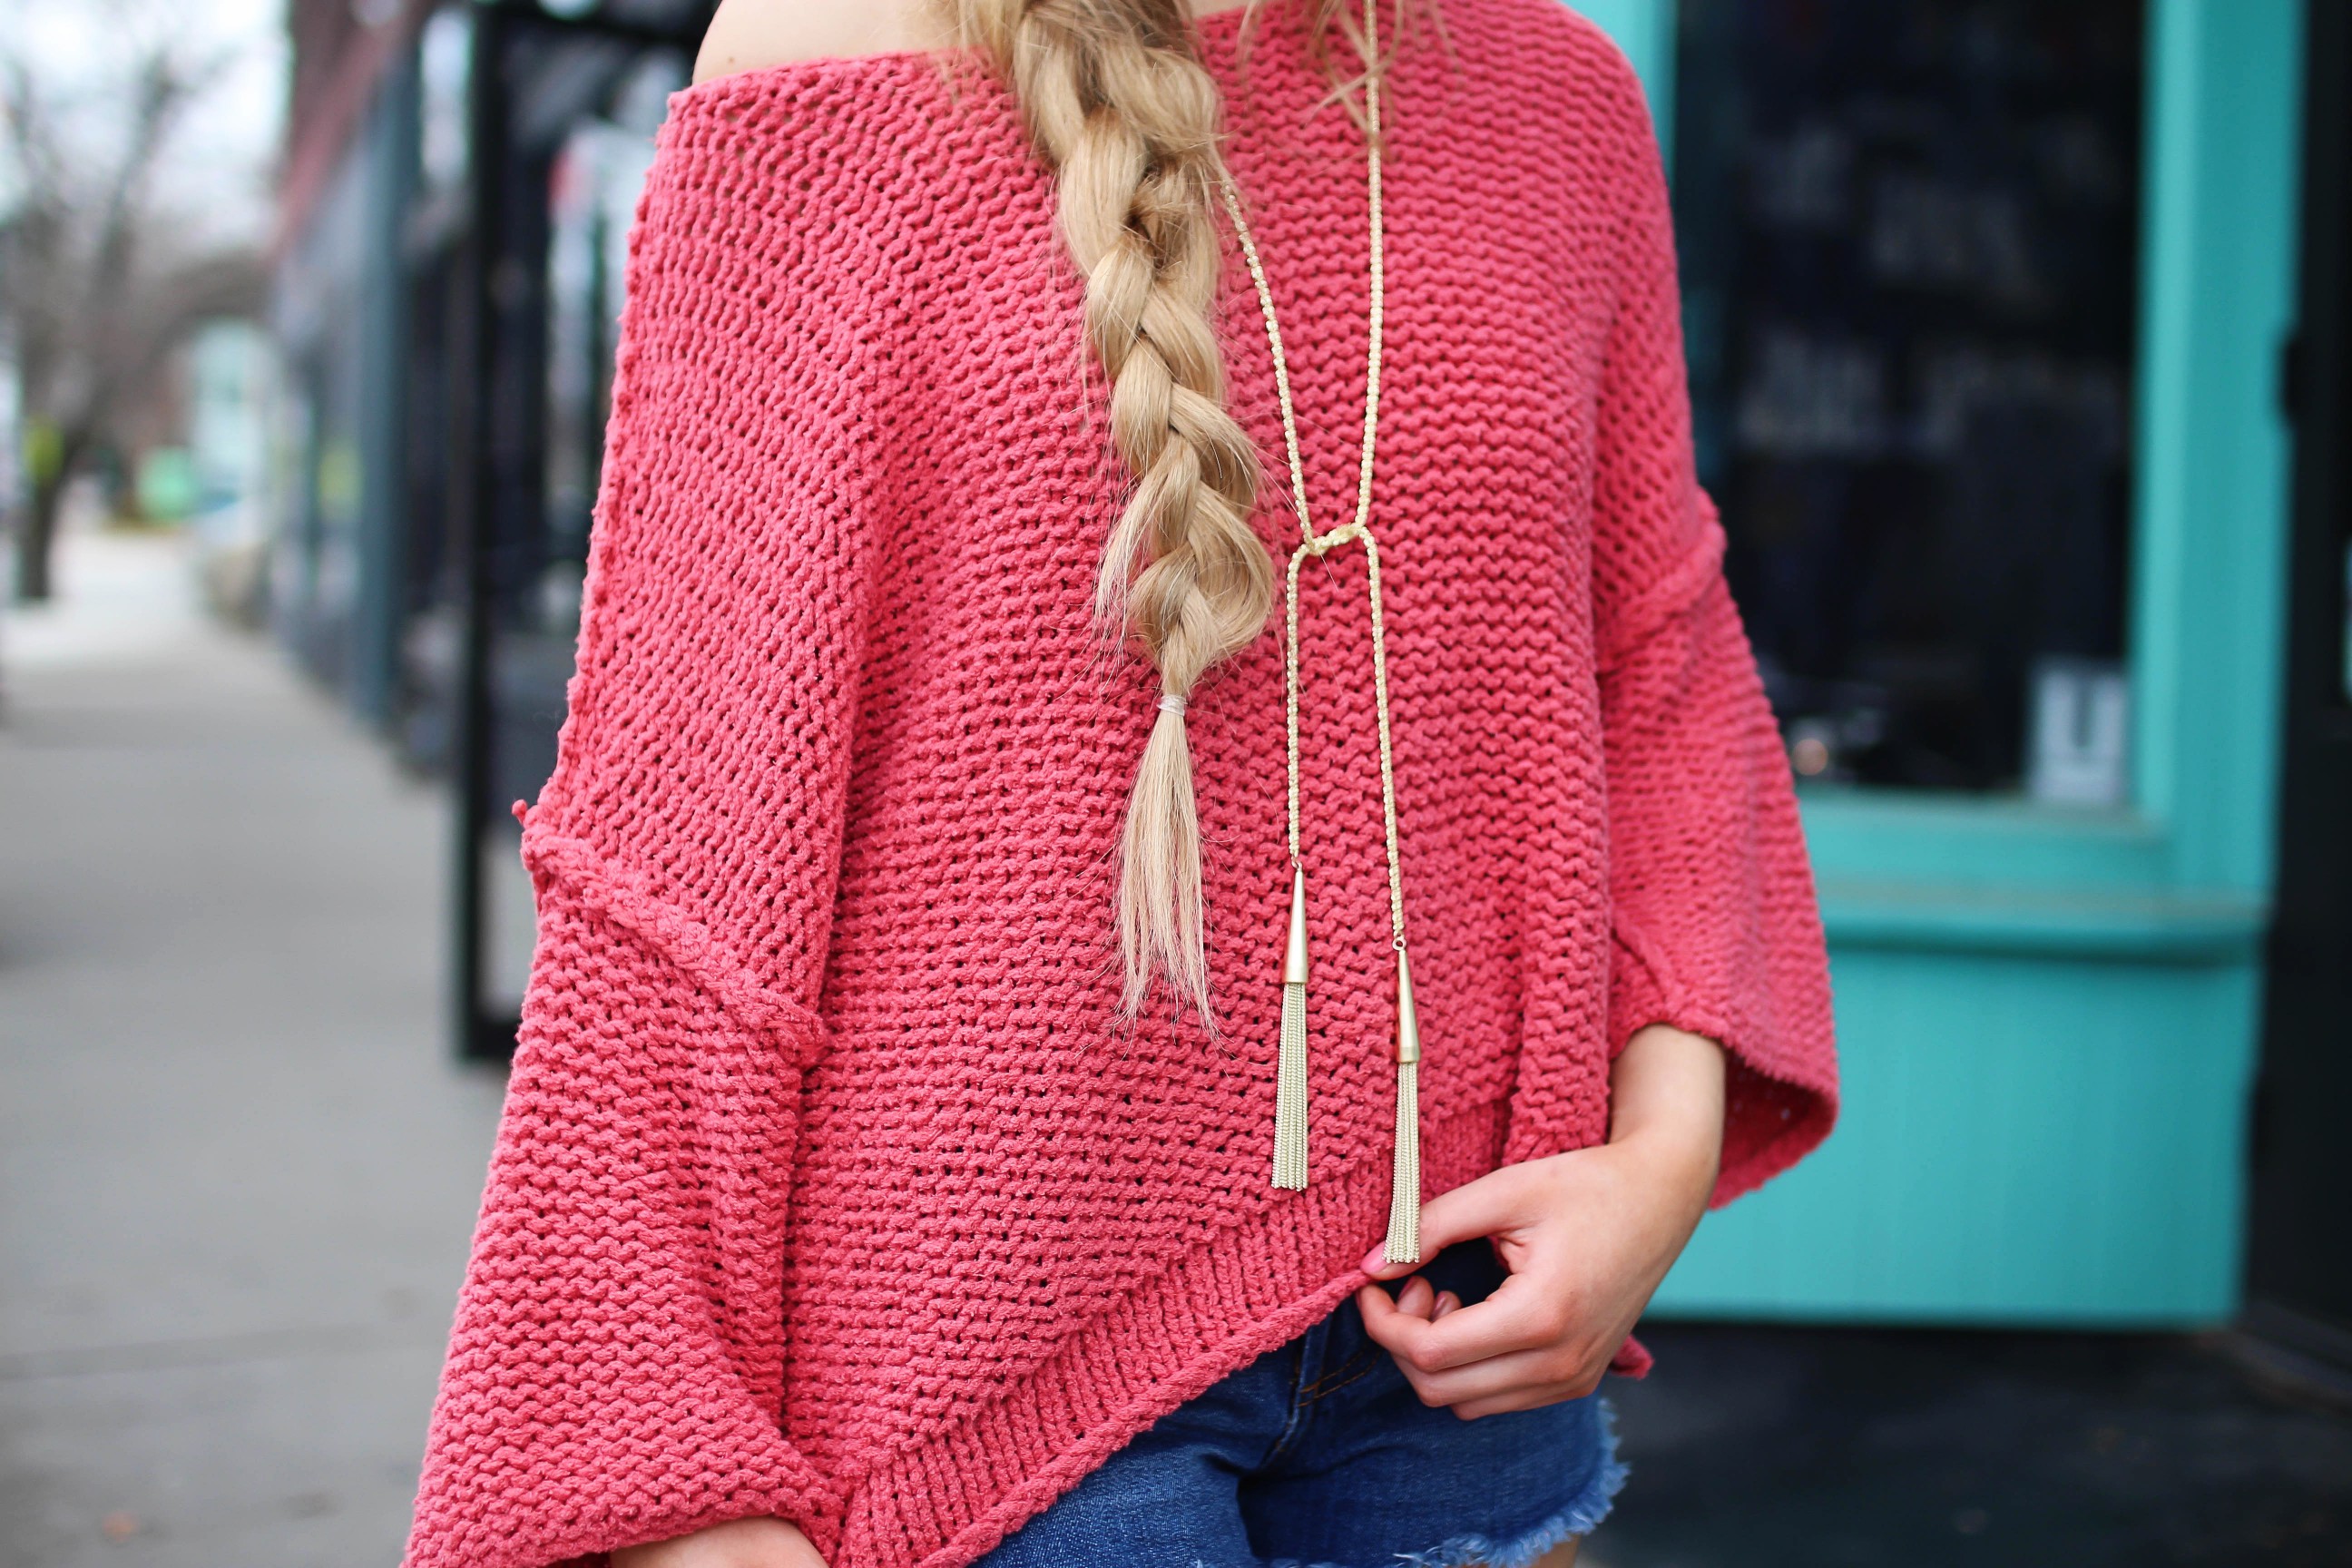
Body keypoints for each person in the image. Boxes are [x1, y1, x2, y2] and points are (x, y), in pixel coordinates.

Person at [400, 0, 1839, 1564]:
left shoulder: (1560, 97)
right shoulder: (836, 46)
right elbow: (686, 812)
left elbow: (1664, 669)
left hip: (1471, 1347)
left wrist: (1659, 1168)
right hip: (993, 1381)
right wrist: (673, 1472)